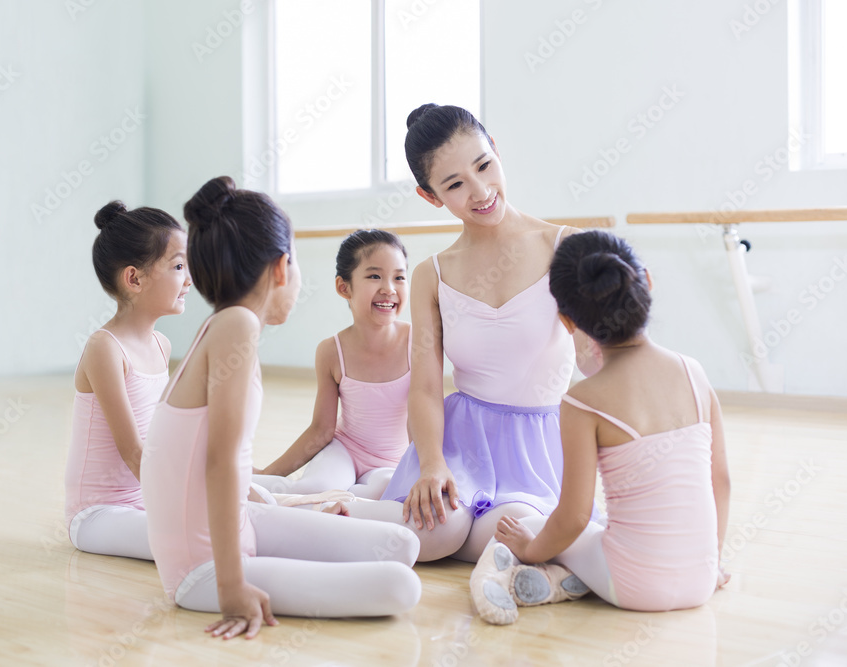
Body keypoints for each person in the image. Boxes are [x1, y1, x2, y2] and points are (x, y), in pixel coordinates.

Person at [142, 176, 422, 641]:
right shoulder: (235, 326)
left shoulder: (225, 324)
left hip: (238, 525)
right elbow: (221, 461)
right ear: (279, 267)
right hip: (205, 568)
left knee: (402, 544)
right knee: (400, 587)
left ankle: (301, 515)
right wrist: (233, 586)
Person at [353, 104, 600, 565]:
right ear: (431, 197)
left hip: (536, 450)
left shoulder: (565, 246)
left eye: (484, 165)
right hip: (459, 443)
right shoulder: (433, 274)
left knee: (520, 534)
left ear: (497, 152)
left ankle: (377, 501)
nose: (481, 191)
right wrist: (432, 464)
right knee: (434, 535)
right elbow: (425, 388)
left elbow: (595, 362)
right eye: (455, 184)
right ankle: (334, 511)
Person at [470, 230, 731, 624]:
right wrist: (711, 562)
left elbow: (573, 517)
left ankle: (504, 575)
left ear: (567, 321)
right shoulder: (694, 373)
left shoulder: (582, 402)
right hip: (701, 580)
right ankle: (563, 582)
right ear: (647, 281)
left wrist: (531, 547)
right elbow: (721, 481)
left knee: (530, 527)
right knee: (606, 527)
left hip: (631, 587)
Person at [64, 200, 190, 560]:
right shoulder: (105, 348)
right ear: (134, 278)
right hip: (98, 516)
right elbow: (134, 452)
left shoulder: (161, 344)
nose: (189, 279)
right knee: (208, 537)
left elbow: (161, 437)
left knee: (238, 514)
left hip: (147, 501)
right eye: (179, 266)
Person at [253, 230, 411, 500]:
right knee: (312, 490)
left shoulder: (418, 343)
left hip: (391, 463)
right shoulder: (331, 351)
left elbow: (430, 419)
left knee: (389, 493)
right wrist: (269, 473)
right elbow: (321, 429)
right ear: (344, 287)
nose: (389, 288)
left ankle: (339, 504)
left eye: (399, 277)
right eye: (374, 276)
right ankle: (263, 489)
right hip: (344, 451)